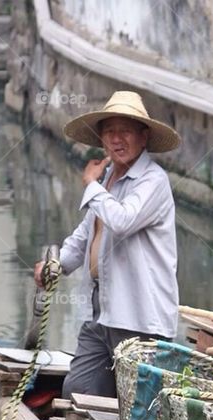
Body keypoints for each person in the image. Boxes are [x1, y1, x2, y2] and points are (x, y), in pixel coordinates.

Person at [34, 91, 181, 399]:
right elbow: (86, 233)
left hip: (139, 315)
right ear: (101, 139)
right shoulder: (109, 178)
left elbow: (123, 220)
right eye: (110, 132)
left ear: (143, 137)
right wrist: (56, 266)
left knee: (138, 404)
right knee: (78, 390)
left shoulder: (153, 181)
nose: (116, 139)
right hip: (101, 310)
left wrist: (91, 184)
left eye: (125, 131)